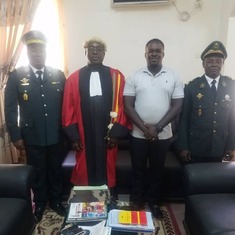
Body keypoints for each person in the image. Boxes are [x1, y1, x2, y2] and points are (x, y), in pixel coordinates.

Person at [4, 30, 66, 223]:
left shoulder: (58, 75)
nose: (37, 53)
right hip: (32, 134)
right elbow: (10, 108)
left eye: (40, 50)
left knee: (55, 168)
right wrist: (15, 135)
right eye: (33, 50)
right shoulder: (16, 76)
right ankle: (39, 203)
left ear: (46, 52)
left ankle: (56, 200)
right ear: (28, 52)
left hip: (56, 134)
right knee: (37, 170)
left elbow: (66, 106)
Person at [123, 38, 184, 220]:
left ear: (163, 54)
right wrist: (145, 128)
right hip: (138, 134)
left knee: (157, 171)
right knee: (138, 169)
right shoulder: (134, 76)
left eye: (158, 51)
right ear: (145, 54)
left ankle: (153, 203)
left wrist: (157, 128)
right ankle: (136, 201)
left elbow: (177, 106)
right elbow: (128, 106)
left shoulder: (173, 76)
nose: (154, 54)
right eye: (151, 51)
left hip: (163, 135)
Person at [62, 37, 130, 197]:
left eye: (98, 49)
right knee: (84, 166)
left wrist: (115, 135)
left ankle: (109, 198)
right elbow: (68, 108)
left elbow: (122, 105)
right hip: (84, 134)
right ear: (85, 52)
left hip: (107, 134)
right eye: (91, 48)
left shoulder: (116, 77)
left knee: (108, 165)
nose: (94, 51)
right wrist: (74, 137)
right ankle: (86, 199)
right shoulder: (74, 78)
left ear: (104, 53)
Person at [177, 41, 235, 164]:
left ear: (223, 64)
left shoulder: (231, 86)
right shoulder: (192, 87)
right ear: (203, 64)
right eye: (210, 61)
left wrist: (231, 146)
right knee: (195, 180)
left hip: (219, 146)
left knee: (215, 181)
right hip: (196, 147)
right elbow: (183, 120)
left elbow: (232, 120)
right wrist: (183, 146)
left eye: (218, 61)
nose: (214, 64)